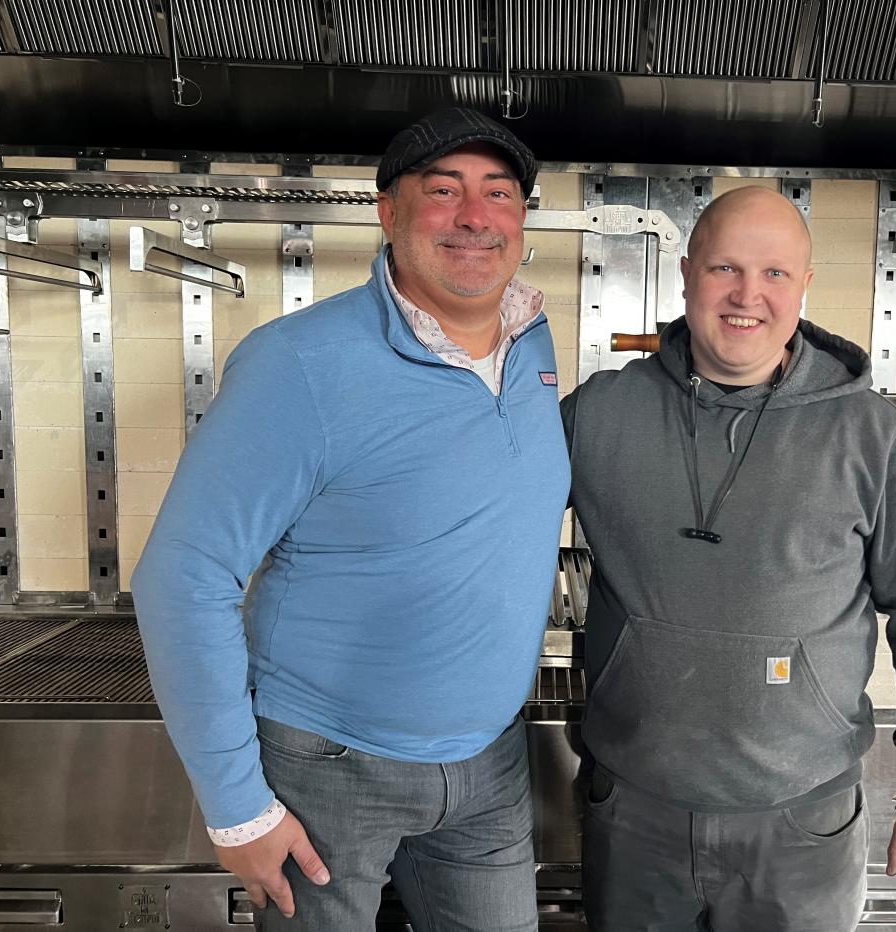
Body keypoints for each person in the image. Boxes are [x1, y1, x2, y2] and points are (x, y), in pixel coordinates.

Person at [132, 108, 570, 931]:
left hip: (489, 764)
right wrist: (237, 809)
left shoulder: (532, 341)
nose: (475, 216)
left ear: (521, 217)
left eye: (499, 193)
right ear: (388, 211)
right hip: (328, 766)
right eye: (443, 191)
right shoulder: (298, 362)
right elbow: (182, 577)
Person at [561, 187, 896, 931]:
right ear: (686, 274)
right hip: (633, 814)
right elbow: (483, 524)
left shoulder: (868, 434)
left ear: (805, 286)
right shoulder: (599, 414)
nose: (747, 296)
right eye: (724, 268)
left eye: (775, 274)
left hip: (802, 825)